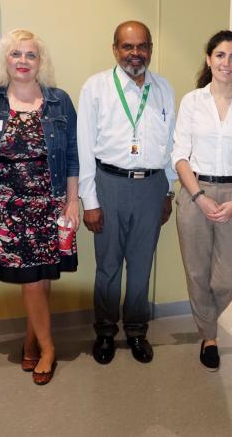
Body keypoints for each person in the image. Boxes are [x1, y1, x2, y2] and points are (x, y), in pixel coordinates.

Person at [0, 29, 79, 385]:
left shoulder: (58, 101)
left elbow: (73, 156)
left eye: (30, 55)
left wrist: (72, 202)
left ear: (40, 62)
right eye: (16, 54)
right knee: (32, 281)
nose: (23, 61)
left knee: (43, 276)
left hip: (49, 203)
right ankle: (47, 347)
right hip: (9, 206)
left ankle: (33, 339)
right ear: (5, 59)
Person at [77, 20, 175, 365]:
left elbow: (170, 145)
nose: (136, 53)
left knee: (141, 265)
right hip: (109, 185)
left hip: (151, 187)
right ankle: (105, 332)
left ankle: (136, 330)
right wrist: (90, 202)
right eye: (127, 46)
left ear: (150, 48)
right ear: (115, 49)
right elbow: (84, 147)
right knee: (107, 266)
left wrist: (168, 193)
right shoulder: (96, 88)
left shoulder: (163, 89)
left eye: (142, 46)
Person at [172, 30, 232, 371]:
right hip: (196, 192)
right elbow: (179, 155)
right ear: (209, 59)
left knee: (230, 278)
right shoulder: (192, 101)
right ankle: (210, 337)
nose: (227, 62)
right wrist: (197, 196)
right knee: (197, 272)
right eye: (220, 55)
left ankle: (205, 318)